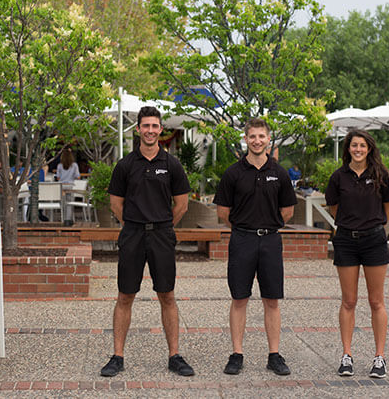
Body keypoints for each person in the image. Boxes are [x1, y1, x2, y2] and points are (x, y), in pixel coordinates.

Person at [100, 106, 193, 377]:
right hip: (132, 234)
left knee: (167, 295)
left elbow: (182, 205)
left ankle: (174, 356)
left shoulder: (172, 164)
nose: (150, 131)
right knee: (125, 295)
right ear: (138, 129)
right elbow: (116, 204)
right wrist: (135, 225)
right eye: (146, 126)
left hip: (162, 234)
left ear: (160, 129)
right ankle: (117, 356)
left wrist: (161, 226)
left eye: (155, 126)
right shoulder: (125, 165)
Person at [214, 118, 297, 376]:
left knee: (272, 299)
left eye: (262, 136)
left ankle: (274, 355)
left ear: (268, 140)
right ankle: (237, 354)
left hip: (271, 241)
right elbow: (223, 212)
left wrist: (267, 226)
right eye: (252, 136)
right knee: (239, 298)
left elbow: (288, 211)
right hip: (242, 239)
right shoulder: (233, 173)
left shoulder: (280, 173)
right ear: (246, 138)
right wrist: (245, 228)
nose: (257, 141)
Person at [325, 129, 389, 378]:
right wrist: (352, 223)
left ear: (369, 149)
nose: (358, 149)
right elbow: (334, 208)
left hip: (374, 240)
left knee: (376, 301)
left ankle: (379, 358)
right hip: (345, 240)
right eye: (354, 145)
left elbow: (388, 208)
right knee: (349, 301)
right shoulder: (338, 177)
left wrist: (371, 226)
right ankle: (346, 356)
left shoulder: (381, 174)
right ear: (348, 149)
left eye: (362, 146)